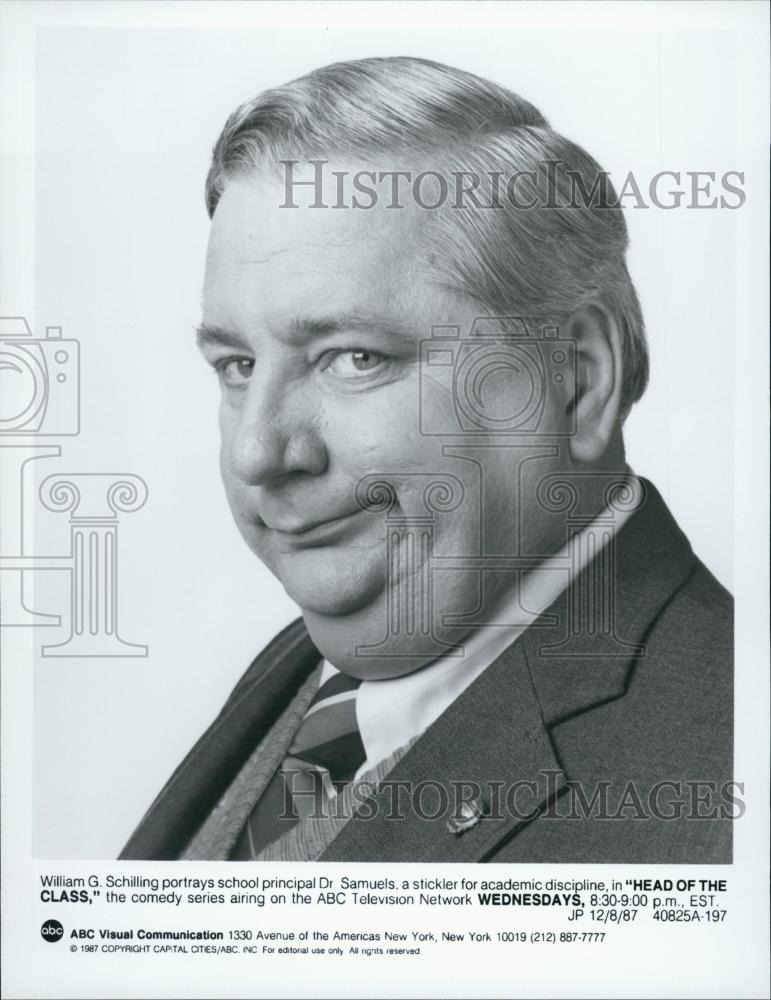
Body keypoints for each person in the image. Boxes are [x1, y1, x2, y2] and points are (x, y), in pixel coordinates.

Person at [120, 56, 733, 863]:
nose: (257, 453)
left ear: (576, 379)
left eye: (353, 357)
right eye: (237, 366)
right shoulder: (320, 664)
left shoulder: (717, 783)